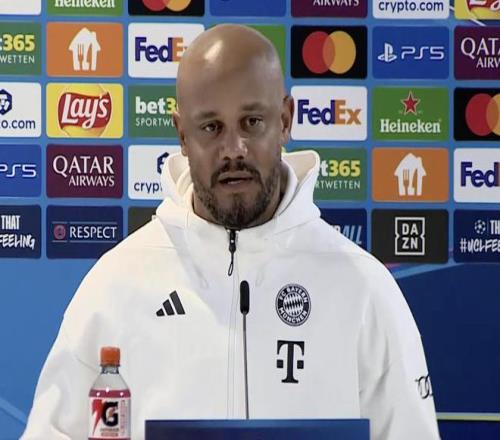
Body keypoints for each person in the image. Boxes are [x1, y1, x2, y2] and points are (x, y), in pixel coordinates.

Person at [22, 24, 440, 440]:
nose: (234, 149)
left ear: (285, 120)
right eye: (211, 127)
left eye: (252, 122)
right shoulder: (115, 285)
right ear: (182, 134)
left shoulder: (363, 289)